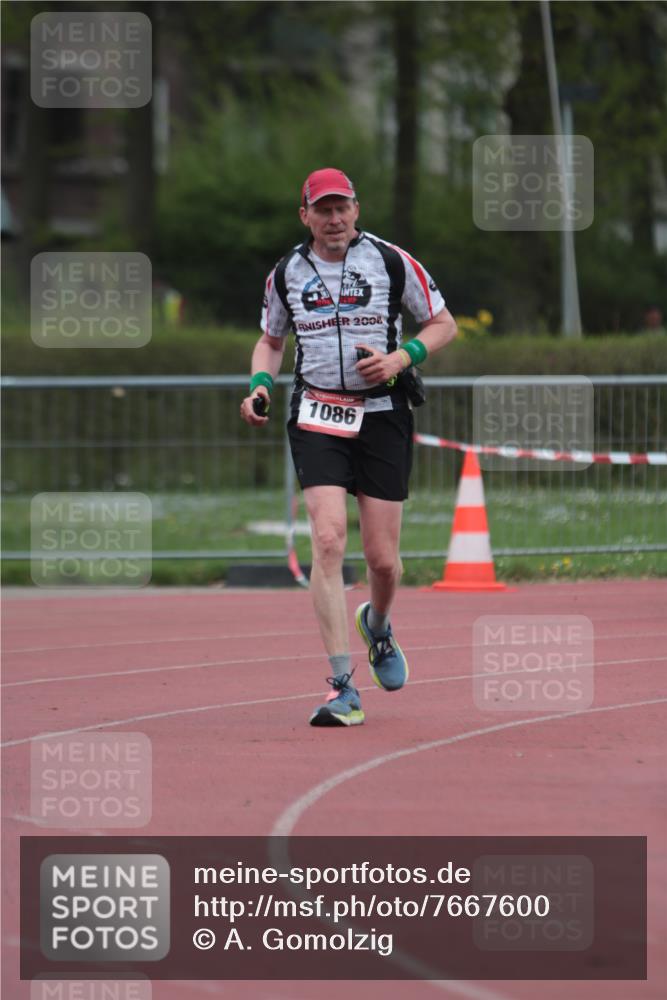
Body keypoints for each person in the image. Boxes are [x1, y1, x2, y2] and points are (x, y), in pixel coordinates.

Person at [240, 167, 457, 727]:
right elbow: (270, 341)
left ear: (356, 210)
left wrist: (401, 356)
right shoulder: (287, 272)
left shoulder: (390, 261)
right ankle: (341, 687)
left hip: (383, 414)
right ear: (305, 216)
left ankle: (377, 627)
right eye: (323, 209)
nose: (334, 219)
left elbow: (443, 323)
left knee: (384, 562)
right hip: (317, 415)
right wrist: (260, 386)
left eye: (342, 208)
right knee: (330, 539)